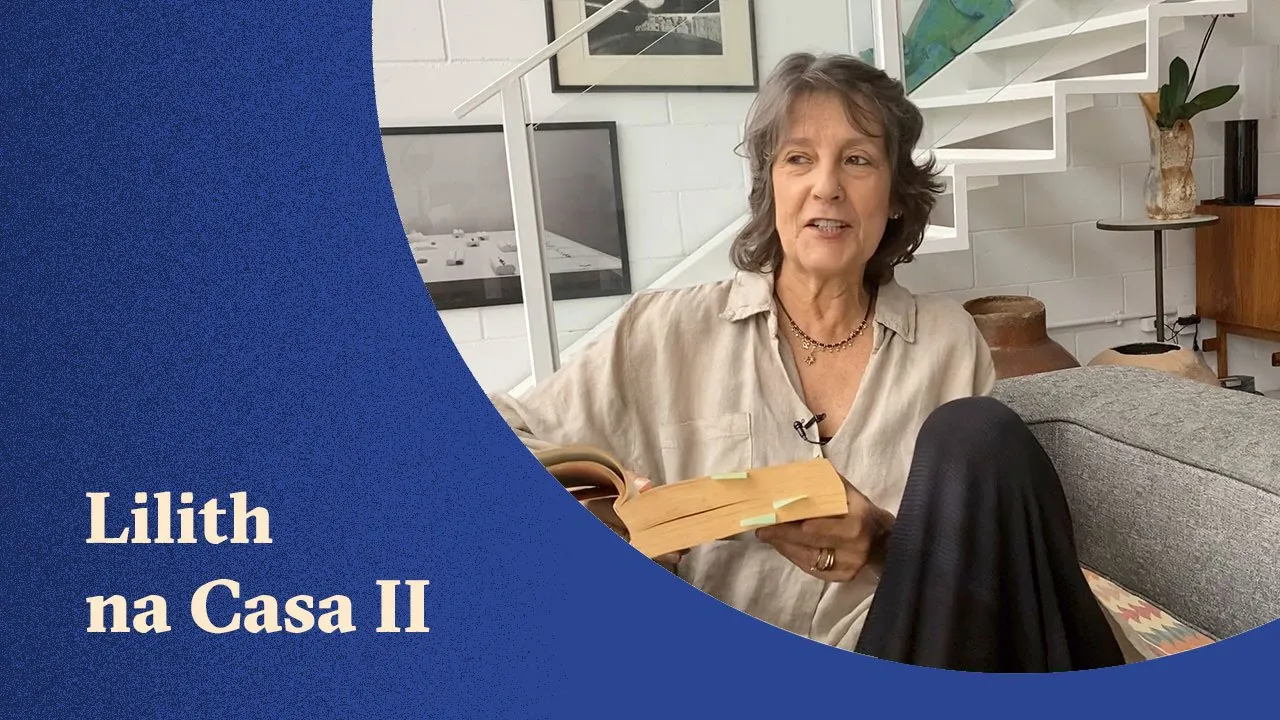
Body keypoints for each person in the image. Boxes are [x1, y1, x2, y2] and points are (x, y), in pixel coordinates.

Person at [489, 51, 1126, 672]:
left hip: (901, 645)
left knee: (980, 434)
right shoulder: (662, 330)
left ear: (895, 195)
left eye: (857, 160)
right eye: (799, 159)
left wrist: (882, 540)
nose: (827, 187)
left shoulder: (945, 339)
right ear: (772, 188)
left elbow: (974, 564)